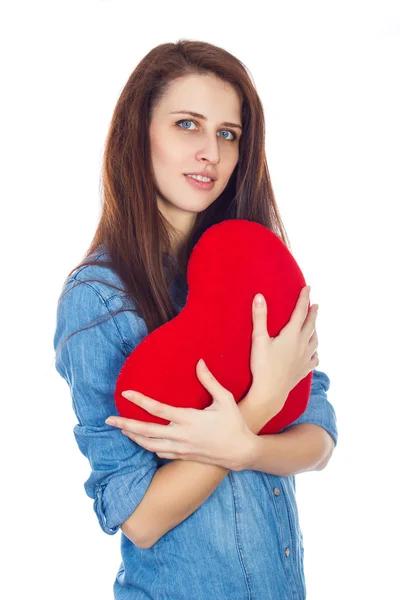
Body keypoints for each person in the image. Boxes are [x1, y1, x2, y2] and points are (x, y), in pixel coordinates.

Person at [53, 39, 338, 600]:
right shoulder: (98, 299)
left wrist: (246, 448)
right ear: (140, 134)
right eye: (188, 124)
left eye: (227, 134)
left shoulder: (258, 267)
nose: (211, 150)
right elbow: (139, 517)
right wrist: (256, 410)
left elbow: (321, 436)